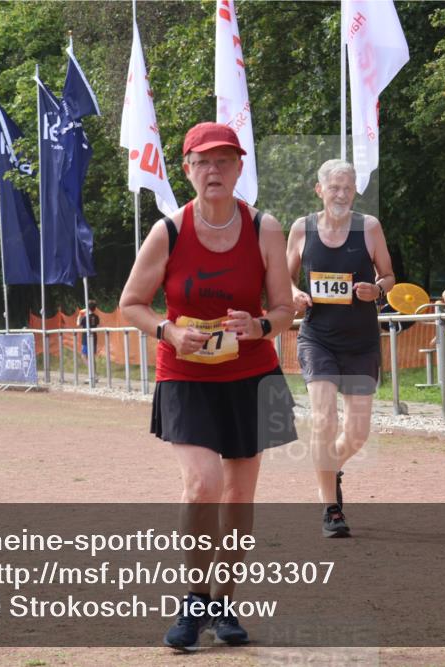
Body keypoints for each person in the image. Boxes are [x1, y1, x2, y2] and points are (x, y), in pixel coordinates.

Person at [118, 122, 297, 652]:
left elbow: (284, 309)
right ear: (187, 169)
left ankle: (223, 603)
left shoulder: (264, 228)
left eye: (224, 161)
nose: (213, 170)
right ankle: (195, 601)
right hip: (187, 375)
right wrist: (169, 331)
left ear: (239, 168)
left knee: (239, 497)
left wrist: (259, 326)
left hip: (251, 376)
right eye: (203, 162)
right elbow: (131, 303)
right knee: (203, 484)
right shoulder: (169, 232)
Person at [285, 159, 395, 538]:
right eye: (334, 187)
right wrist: (295, 293)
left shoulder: (369, 228)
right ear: (320, 190)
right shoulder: (302, 229)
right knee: (324, 419)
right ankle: (331, 508)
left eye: (348, 187)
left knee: (358, 432)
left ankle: (329, 468)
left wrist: (376, 289)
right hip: (318, 338)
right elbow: (283, 279)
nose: (342, 194)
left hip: (361, 341)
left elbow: (389, 276)